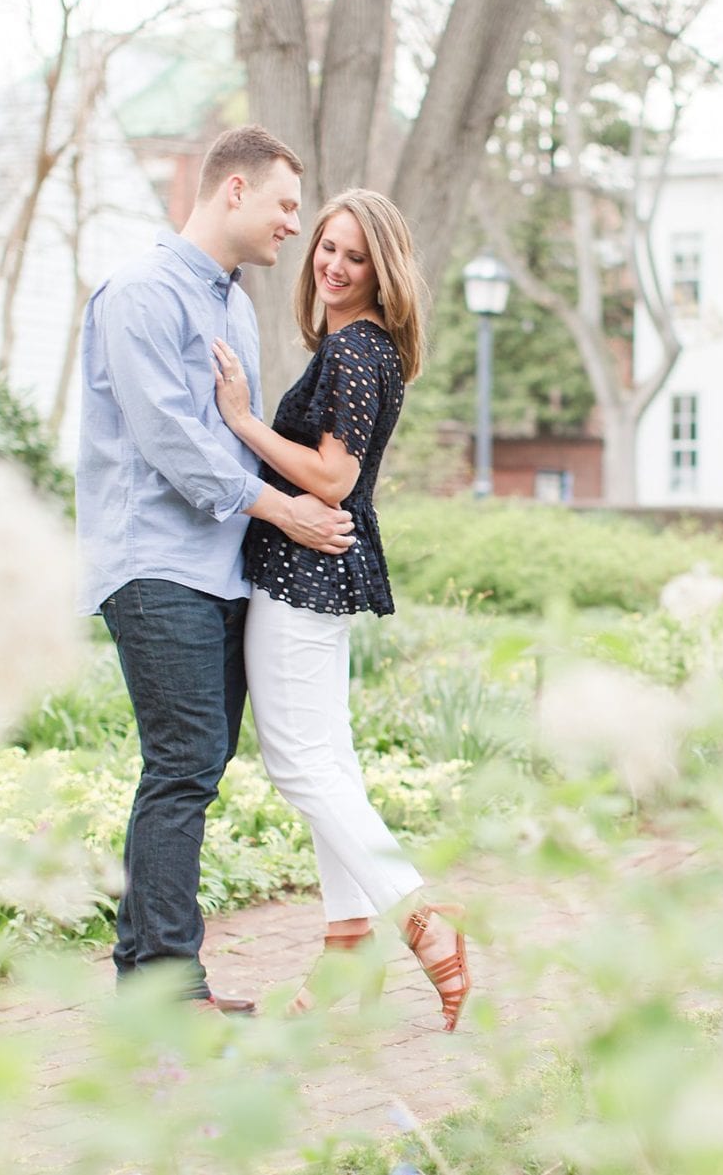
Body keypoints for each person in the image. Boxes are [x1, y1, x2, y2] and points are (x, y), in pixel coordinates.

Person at [76, 125, 356, 1012]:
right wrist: (285, 511)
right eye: (283, 205)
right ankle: (164, 983)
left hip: (215, 567)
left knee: (190, 762)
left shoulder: (234, 306)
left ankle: (146, 971)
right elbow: (171, 443)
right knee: (186, 760)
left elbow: (231, 434)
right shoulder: (141, 293)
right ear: (233, 191)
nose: (293, 226)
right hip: (152, 561)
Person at [211, 188, 471, 1031]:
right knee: (332, 761)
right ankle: (347, 940)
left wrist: (244, 419)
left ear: (381, 271)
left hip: (298, 577)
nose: (332, 265)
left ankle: (421, 922)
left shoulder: (358, 351)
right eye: (327, 246)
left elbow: (332, 479)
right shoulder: (363, 349)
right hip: (316, 576)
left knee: (300, 765)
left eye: (354, 257)